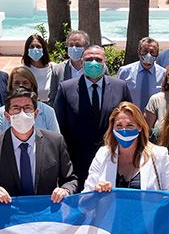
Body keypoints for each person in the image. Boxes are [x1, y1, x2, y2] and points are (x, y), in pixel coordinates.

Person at [0, 87, 78, 203]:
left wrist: (65, 190)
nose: (22, 113)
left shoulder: (55, 141)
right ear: (7, 116)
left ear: (36, 113)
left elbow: (70, 180)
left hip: (46, 215)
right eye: (16, 109)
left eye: (27, 108)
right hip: (8, 216)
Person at [54, 45, 132, 187]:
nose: (94, 62)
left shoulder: (120, 87)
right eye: (89, 59)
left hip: (113, 160)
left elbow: (130, 121)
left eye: (98, 59)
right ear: (82, 62)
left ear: (105, 62)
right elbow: (60, 127)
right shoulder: (66, 88)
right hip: (78, 163)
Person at [84, 101, 169, 202]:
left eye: (130, 125)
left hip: (147, 220)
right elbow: (85, 198)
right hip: (110, 220)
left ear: (140, 127)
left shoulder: (159, 155)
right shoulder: (102, 154)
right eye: (119, 125)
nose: (124, 130)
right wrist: (96, 190)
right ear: (112, 128)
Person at [0, 67, 60, 133]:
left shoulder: (48, 111)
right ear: (11, 86)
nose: (21, 86)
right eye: (17, 83)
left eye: (25, 83)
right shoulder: (2, 112)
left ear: (32, 86)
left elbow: (55, 140)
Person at [117, 37, 166, 109]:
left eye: (152, 52)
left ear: (157, 54)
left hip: (155, 118)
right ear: (139, 52)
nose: (148, 55)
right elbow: (117, 96)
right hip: (131, 117)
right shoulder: (125, 72)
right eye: (145, 51)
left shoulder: (164, 74)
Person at [49, 30, 90, 104]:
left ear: (86, 47)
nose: (74, 48)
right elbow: (53, 98)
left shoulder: (97, 67)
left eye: (78, 45)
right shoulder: (58, 70)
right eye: (71, 45)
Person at [22, 33, 54, 102]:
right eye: (32, 47)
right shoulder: (22, 71)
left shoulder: (53, 68)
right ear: (27, 49)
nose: (35, 49)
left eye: (38, 46)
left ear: (44, 49)